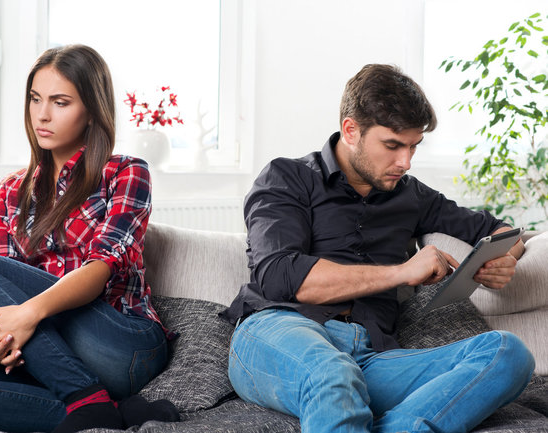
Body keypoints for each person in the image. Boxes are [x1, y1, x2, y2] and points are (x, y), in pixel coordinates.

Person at [221, 64, 535, 433]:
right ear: (350, 130)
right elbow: (280, 276)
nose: (405, 162)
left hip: (371, 358)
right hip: (279, 333)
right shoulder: (287, 177)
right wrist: (402, 272)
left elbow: (503, 232)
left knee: (507, 353)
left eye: (413, 146)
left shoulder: (412, 195)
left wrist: (502, 259)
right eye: (392, 145)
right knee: (332, 373)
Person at [0, 44, 179, 433]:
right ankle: (103, 409)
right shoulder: (12, 191)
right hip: (51, 356)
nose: (42, 114)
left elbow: (100, 270)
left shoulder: (126, 173)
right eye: (35, 99)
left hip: (120, 344)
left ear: (92, 111)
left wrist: (26, 315)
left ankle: (88, 398)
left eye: (60, 102)